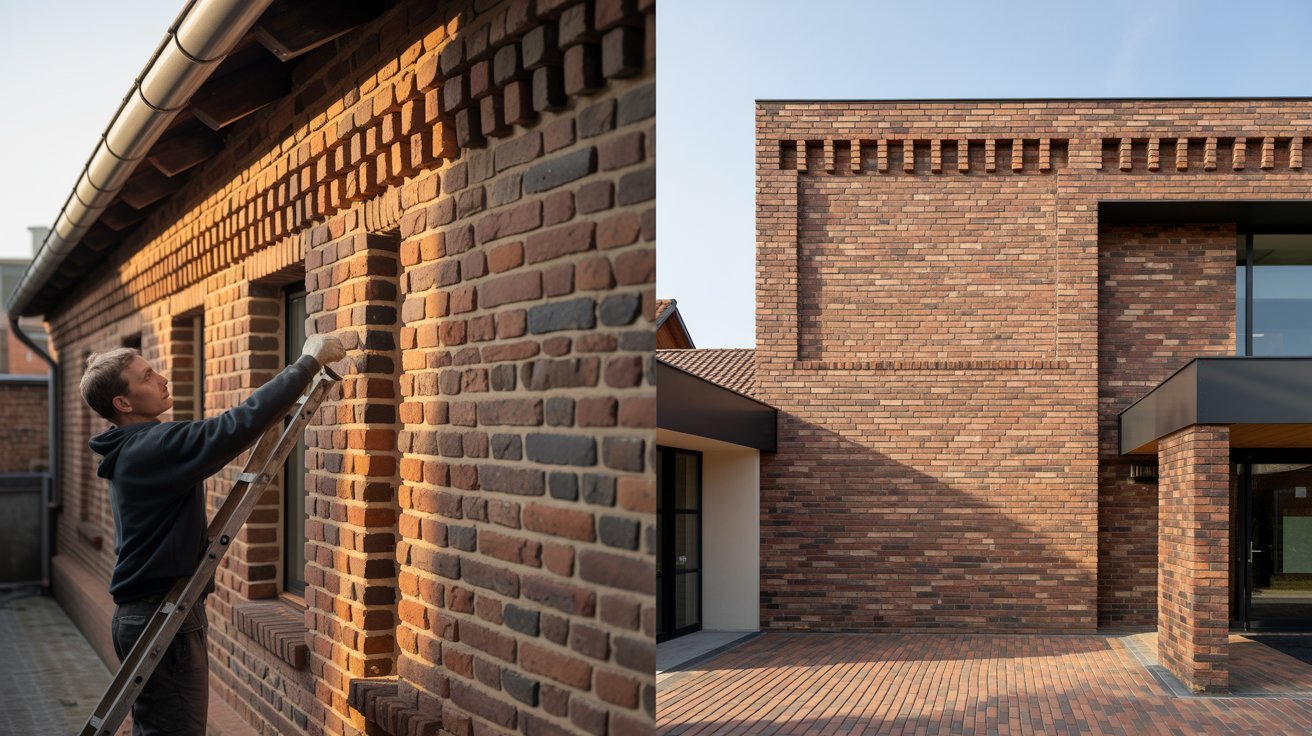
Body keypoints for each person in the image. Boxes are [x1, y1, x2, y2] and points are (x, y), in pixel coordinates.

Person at [80, 333, 345, 736]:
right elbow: (234, 427)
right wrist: (307, 363)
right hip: (159, 615)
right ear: (124, 403)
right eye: (147, 376)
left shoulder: (134, 449)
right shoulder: (152, 447)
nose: (162, 378)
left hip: (148, 612)